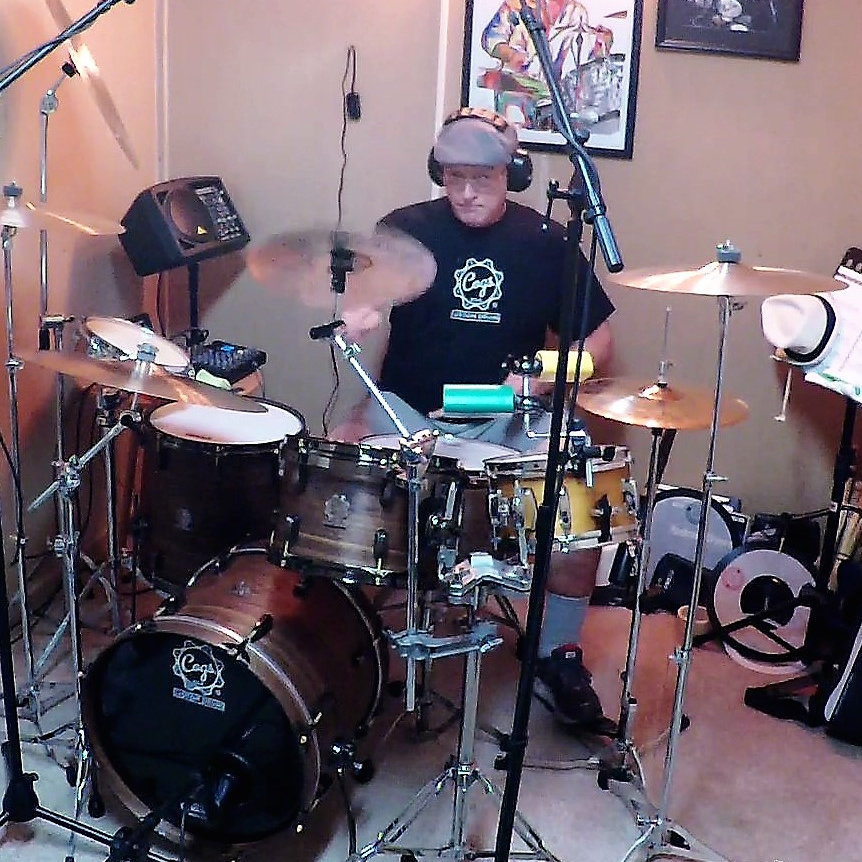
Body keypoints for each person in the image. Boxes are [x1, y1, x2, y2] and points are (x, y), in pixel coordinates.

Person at [333, 108, 616, 733]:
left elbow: (599, 339)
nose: (465, 192)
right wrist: (363, 311)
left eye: (481, 178)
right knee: (339, 468)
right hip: (410, 407)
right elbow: (368, 293)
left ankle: (558, 654)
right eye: (454, 177)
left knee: (581, 504)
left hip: (508, 412)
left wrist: (539, 377)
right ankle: (341, 640)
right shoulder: (404, 230)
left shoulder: (546, 241)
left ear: (510, 174)